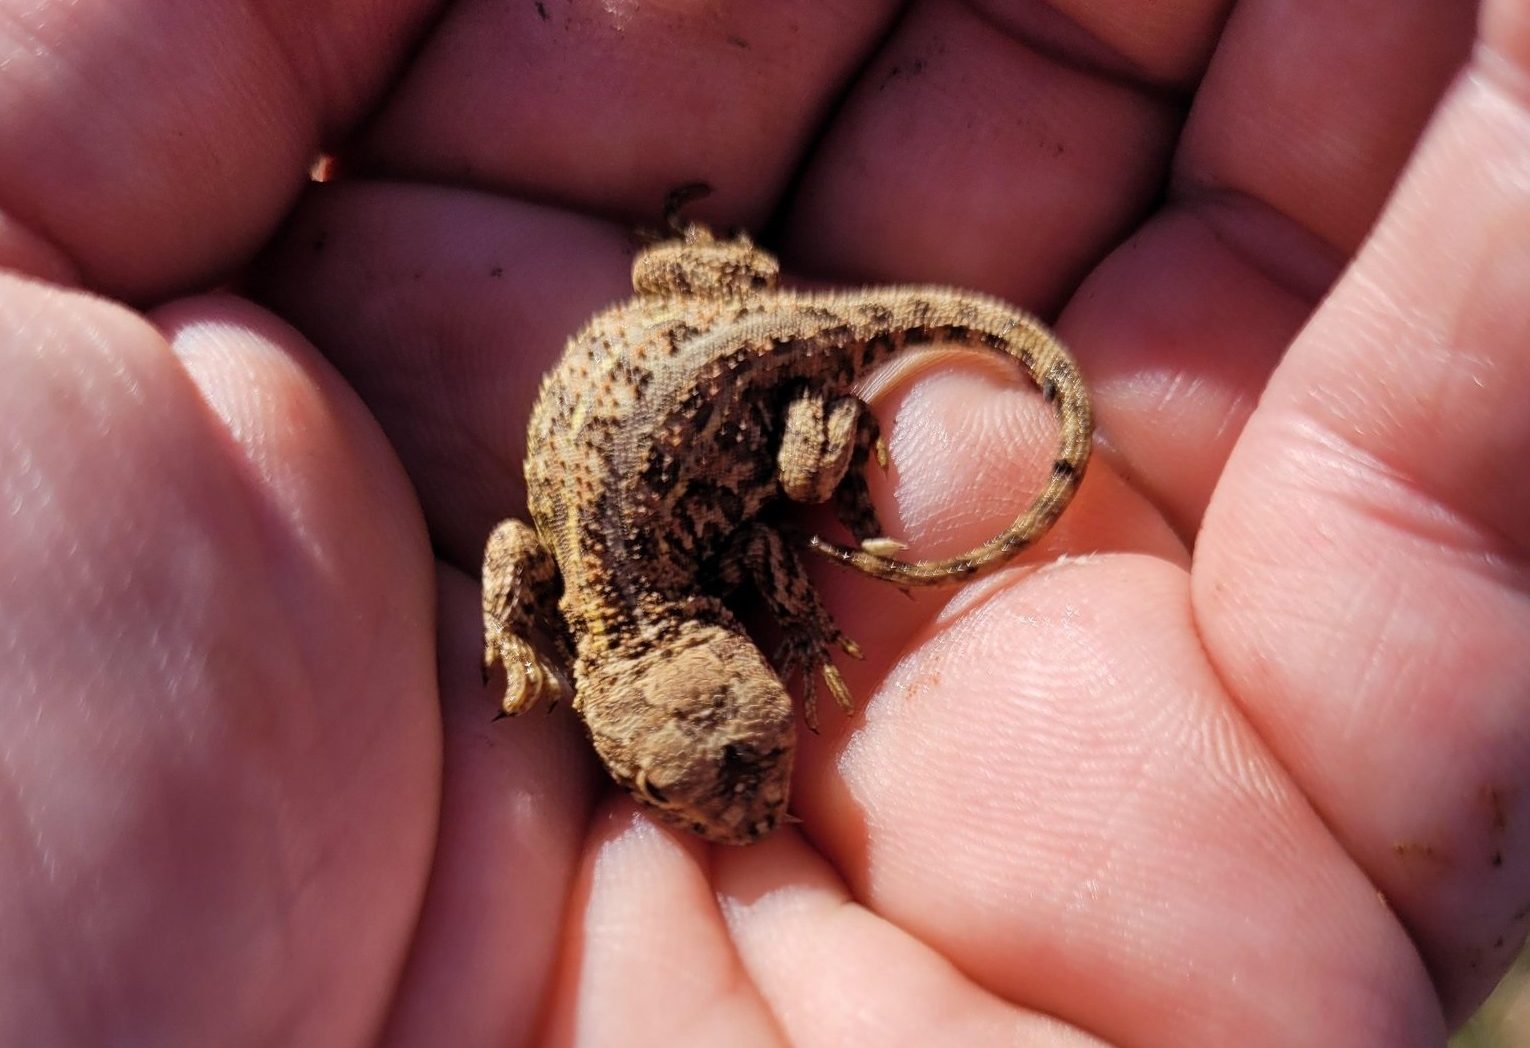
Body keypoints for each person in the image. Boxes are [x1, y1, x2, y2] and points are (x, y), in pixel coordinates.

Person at [1, 1, 1525, 1044]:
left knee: (807, 477)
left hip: (744, 360)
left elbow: (549, 557)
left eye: (732, 766)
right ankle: (704, 269)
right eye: (733, 771)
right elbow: (522, 559)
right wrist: (529, 639)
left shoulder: (660, 578)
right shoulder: (620, 594)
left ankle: (760, 331)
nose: (744, 791)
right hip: (666, 340)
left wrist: (820, 515)